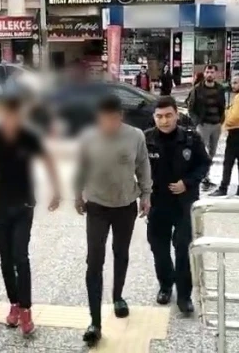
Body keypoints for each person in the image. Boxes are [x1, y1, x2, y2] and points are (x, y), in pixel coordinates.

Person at [0, 97, 61, 336]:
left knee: (20, 256)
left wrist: (56, 191)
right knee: (6, 258)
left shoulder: (30, 136)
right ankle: (14, 303)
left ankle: (26, 309)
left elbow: (49, 162)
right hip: (0, 204)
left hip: (24, 203)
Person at [74, 94, 152, 346]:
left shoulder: (135, 136)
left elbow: (143, 165)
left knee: (121, 252)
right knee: (94, 260)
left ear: (120, 116)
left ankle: (118, 296)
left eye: (113, 118)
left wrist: (146, 194)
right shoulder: (87, 137)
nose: (108, 123)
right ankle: (95, 322)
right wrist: (77, 194)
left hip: (125, 205)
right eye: (103, 119)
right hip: (97, 206)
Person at [145, 96, 211, 314]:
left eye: (168, 115)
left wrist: (188, 182)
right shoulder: (146, 140)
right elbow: (136, 168)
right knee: (159, 248)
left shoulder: (191, 139)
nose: (164, 121)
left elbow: (204, 164)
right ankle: (165, 285)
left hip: (184, 203)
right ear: (154, 117)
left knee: (183, 249)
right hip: (158, 203)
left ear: (177, 115)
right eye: (159, 116)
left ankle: (184, 296)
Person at [186, 65, 226, 191]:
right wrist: (197, 122)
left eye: (212, 72)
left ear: (216, 74)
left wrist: (221, 120)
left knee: (212, 152)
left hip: (216, 124)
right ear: (204, 73)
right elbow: (190, 107)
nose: (209, 74)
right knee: (202, 152)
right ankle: (203, 178)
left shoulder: (220, 89)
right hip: (203, 125)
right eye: (207, 72)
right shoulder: (197, 89)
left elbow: (223, 105)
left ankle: (206, 175)